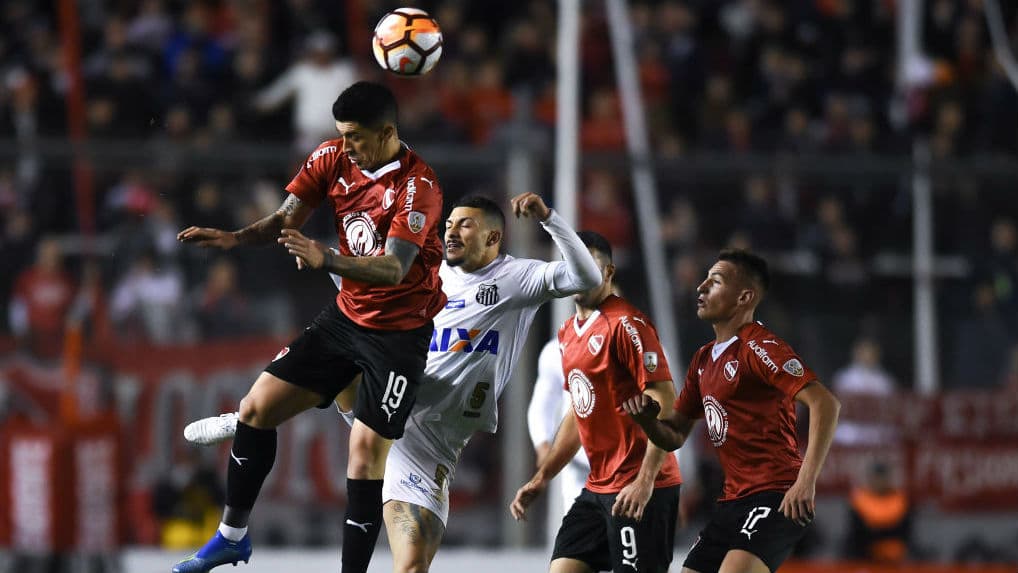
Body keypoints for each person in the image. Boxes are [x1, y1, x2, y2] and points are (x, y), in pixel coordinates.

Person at [183, 193, 603, 572]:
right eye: (449, 224)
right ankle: (248, 418)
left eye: (465, 224)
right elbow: (362, 289)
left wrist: (548, 218)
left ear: (494, 237)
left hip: (431, 442)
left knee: (412, 566)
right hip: (385, 398)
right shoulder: (423, 271)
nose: (452, 231)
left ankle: (250, 419)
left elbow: (587, 279)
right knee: (349, 351)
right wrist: (326, 260)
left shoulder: (519, 279)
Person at [171, 81, 447, 573]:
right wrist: (237, 238)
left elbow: (394, 269)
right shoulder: (331, 158)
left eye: (356, 137)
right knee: (256, 408)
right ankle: (232, 537)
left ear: (386, 132)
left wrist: (328, 258)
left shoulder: (417, 187)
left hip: (399, 337)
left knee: (363, 455)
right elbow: (284, 218)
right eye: (341, 135)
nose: (346, 146)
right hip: (344, 320)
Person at [622, 249, 841, 573]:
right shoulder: (703, 359)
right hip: (732, 502)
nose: (701, 287)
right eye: (705, 279)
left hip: (776, 495)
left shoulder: (760, 347)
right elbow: (675, 435)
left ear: (744, 297)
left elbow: (825, 403)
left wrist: (805, 482)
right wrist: (647, 421)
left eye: (716, 281)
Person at [511, 231, 682, 573]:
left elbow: (665, 401)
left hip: (640, 486)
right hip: (597, 486)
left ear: (608, 274)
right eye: (573, 266)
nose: (579, 275)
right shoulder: (567, 333)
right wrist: (543, 477)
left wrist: (645, 480)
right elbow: (580, 411)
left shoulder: (626, 324)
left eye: (589, 266)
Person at [527, 337, 590, 523]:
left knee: (626, 546)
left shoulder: (639, 342)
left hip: (628, 469)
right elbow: (543, 403)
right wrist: (542, 445)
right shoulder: (557, 349)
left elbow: (662, 414)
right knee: (577, 543)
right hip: (579, 468)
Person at [843, 460, 912, 563]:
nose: (879, 481)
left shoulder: (900, 501)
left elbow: (904, 531)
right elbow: (858, 533)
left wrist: (877, 530)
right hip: (864, 556)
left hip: (895, 557)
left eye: (882, 477)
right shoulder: (859, 500)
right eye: (876, 477)